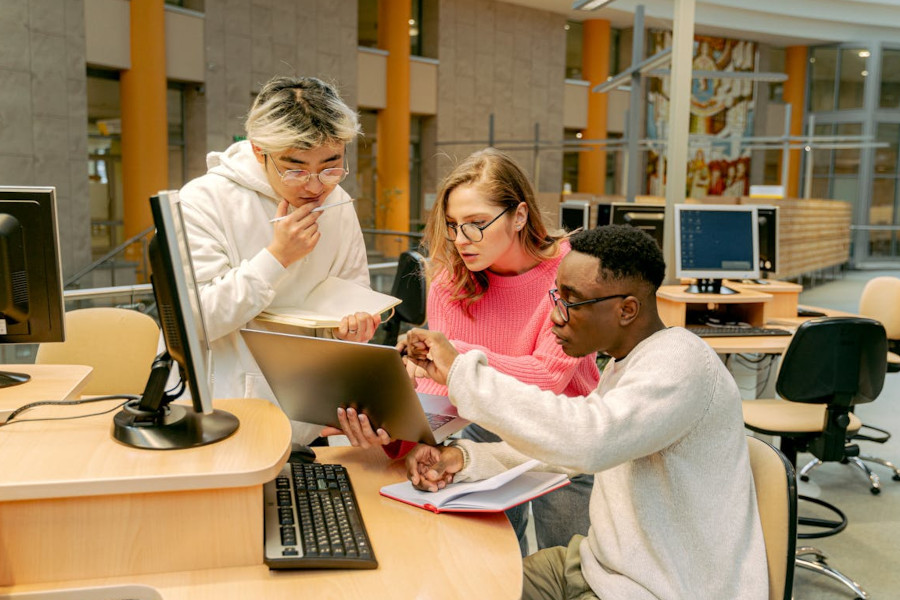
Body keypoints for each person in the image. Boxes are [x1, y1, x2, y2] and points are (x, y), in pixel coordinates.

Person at [402, 225, 767, 599]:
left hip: (657, 590)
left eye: (571, 302)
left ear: (627, 310)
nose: (555, 317)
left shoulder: (681, 363)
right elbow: (564, 452)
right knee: (461, 585)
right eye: (555, 297)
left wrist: (463, 372)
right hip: (598, 567)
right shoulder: (626, 364)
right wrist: (463, 459)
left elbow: (589, 442)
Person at [334, 148, 600, 555]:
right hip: (481, 422)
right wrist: (421, 441)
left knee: (567, 564)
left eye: (476, 224)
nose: (460, 240)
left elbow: (549, 378)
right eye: (454, 225)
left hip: (561, 427)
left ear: (520, 215)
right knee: (487, 562)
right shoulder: (449, 279)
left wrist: (455, 359)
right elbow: (445, 388)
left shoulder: (570, 272)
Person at [178, 75, 380, 445]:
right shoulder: (204, 200)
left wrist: (354, 327)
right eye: (296, 168)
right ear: (259, 151)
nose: (316, 185)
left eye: (331, 166)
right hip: (222, 414)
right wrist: (277, 257)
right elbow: (195, 320)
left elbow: (354, 295)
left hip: (307, 418)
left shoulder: (338, 204)